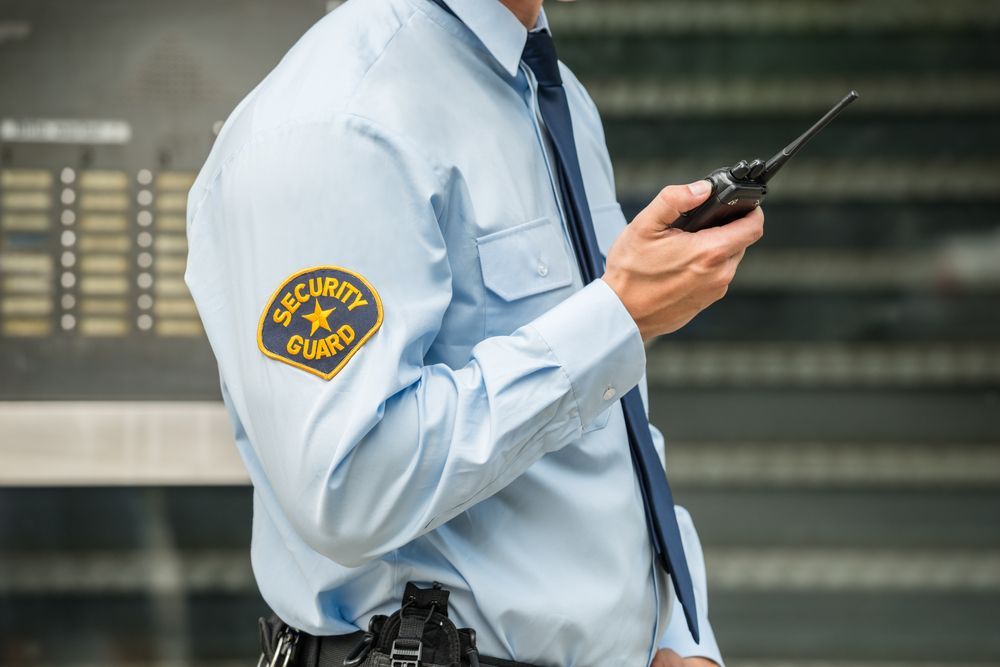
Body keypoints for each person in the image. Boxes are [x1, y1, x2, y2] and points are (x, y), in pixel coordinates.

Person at [185, 0, 764, 665]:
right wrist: (615, 319)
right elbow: (349, 484)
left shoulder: (553, 94)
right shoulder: (339, 118)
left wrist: (675, 636)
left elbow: (603, 430)